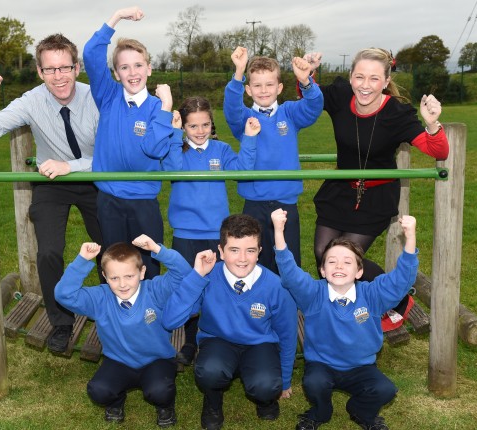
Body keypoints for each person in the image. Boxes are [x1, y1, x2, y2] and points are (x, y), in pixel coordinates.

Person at [0, 33, 103, 354]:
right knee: (48, 252)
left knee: (111, 246)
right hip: (51, 183)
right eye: (51, 70)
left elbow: (112, 154)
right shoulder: (32, 100)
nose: (59, 77)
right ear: (40, 72)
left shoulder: (97, 97)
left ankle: (113, 310)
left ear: (77, 68)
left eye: (65, 68)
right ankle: (60, 322)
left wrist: (71, 166)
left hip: (97, 177)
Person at [303, 48, 448, 330]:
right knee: (324, 252)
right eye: (359, 77)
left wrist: (432, 124)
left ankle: (397, 299)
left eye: (373, 78)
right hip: (340, 190)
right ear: (350, 77)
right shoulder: (341, 95)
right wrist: (307, 76)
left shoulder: (397, 112)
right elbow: (310, 96)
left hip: (376, 196)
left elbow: (437, 149)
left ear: (385, 80)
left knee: (346, 256)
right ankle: (344, 310)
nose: (365, 85)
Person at [271, 208, 419, 430]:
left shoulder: (372, 295)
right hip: (322, 365)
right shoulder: (313, 295)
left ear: (359, 272)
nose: (339, 266)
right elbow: (290, 274)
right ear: (322, 270)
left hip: (361, 367)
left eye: (347, 262)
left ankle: (361, 411)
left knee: (385, 389)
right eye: (331, 262)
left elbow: (401, 281)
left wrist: (410, 238)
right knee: (314, 383)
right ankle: (320, 412)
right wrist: (279, 231)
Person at [162, 214, 297, 430]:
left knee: (267, 384)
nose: (242, 258)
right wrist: (197, 276)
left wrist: (286, 380)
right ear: (221, 251)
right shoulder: (207, 277)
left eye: (250, 250)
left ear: (260, 252)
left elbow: (288, 334)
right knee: (210, 371)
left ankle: (265, 400)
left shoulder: (275, 286)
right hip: (218, 340)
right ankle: (213, 403)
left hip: (259, 343)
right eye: (234, 250)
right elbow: (170, 320)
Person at [55, 234, 199, 427]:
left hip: (156, 360)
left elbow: (183, 275)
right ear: (105, 276)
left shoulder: (155, 290)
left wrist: (158, 250)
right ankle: (116, 401)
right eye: (114, 278)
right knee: (98, 390)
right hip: (118, 361)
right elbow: (63, 294)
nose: (122, 284)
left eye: (129, 276)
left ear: (142, 272)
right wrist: (82, 261)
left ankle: (165, 406)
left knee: (160, 390)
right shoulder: (100, 298)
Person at [162, 97, 260, 367]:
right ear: (184, 127)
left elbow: (243, 171)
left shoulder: (221, 149)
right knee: (189, 287)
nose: (200, 130)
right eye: (193, 126)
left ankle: (217, 339)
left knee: (218, 288)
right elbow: (173, 171)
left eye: (205, 124)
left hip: (216, 234)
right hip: (185, 234)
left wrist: (249, 138)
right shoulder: (177, 149)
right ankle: (191, 342)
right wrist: (172, 134)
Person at [83, 6, 177, 279]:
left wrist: (166, 107)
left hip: (143, 200)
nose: (132, 72)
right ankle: (113, 318)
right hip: (110, 198)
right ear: (116, 74)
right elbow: (90, 54)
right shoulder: (109, 96)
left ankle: (149, 317)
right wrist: (116, 17)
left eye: (138, 65)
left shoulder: (157, 108)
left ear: (149, 68)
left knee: (147, 261)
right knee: (112, 260)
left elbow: (154, 148)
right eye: (124, 67)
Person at [223, 46, 324, 274]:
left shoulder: (289, 113)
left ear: (279, 87)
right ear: (248, 90)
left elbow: (313, 107)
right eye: (257, 85)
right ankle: (257, 306)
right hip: (254, 203)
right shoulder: (244, 118)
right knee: (253, 261)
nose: (264, 90)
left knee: (287, 262)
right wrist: (239, 72)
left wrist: (306, 81)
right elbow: (231, 108)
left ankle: (288, 307)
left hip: (285, 203)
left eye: (269, 85)